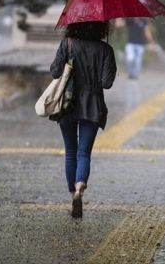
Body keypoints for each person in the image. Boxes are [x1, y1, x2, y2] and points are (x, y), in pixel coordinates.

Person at [50, 21, 117, 218]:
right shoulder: (105, 49)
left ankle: (73, 195)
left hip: (67, 103)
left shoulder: (67, 44)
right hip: (92, 106)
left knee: (71, 152)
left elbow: (55, 72)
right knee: (84, 153)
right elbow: (107, 83)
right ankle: (80, 187)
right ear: (101, 28)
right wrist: (105, 56)